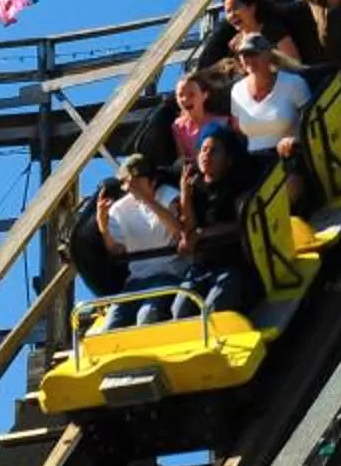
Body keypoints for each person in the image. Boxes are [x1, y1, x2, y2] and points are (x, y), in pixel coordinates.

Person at [93, 154, 194, 325]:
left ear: (152, 181)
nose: (131, 188)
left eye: (137, 181)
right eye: (128, 183)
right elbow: (116, 250)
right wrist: (103, 227)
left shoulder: (168, 196)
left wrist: (147, 199)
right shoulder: (120, 209)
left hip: (168, 275)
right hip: (137, 281)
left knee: (146, 317)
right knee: (111, 324)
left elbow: (179, 231)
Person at [180, 122, 264, 314]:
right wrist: (185, 196)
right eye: (203, 150)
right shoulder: (195, 188)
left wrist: (204, 233)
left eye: (214, 151)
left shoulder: (237, 186)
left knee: (212, 310)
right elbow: (190, 232)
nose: (206, 155)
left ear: (228, 160)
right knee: (180, 311)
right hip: (203, 267)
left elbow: (242, 224)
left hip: (233, 264)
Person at [225, 34, 312, 167]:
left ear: (268, 55)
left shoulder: (294, 83)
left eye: (254, 53)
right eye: (244, 55)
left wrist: (296, 140)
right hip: (255, 165)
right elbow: (238, 128)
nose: (249, 59)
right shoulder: (237, 91)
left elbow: (312, 122)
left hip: (292, 158)